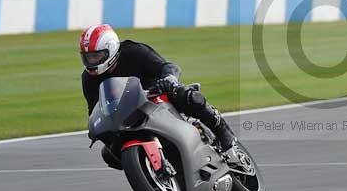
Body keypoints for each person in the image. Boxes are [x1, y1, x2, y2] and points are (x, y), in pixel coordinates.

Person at [79, 24, 236, 169]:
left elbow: (168, 66)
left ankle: (222, 130)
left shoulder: (133, 51)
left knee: (185, 95)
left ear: (111, 49)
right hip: (126, 115)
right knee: (109, 153)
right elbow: (95, 108)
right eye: (87, 57)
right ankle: (149, 170)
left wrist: (169, 79)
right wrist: (95, 128)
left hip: (157, 96)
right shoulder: (88, 79)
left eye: (96, 56)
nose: (91, 61)